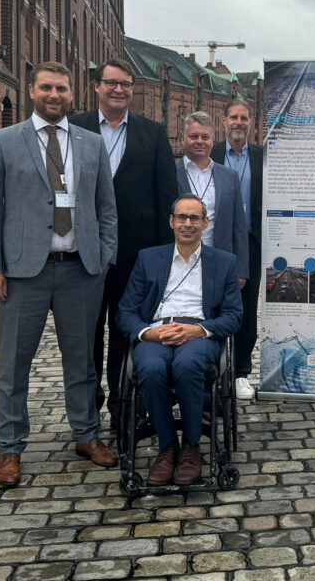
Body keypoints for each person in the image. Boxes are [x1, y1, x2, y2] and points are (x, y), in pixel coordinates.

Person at [0, 61, 120, 488]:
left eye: (61, 89)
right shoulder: (3, 141)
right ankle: (9, 448)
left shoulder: (91, 144)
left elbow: (105, 206)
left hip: (81, 271)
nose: (54, 96)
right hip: (24, 275)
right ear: (31, 90)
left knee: (82, 362)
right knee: (13, 366)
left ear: (72, 93)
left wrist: (104, 254)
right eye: (46, 88)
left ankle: (86, 435)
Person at [68, 59, 178, 430]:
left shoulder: (153, 133)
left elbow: (167, 197)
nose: (119, 90)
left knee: (125, 330)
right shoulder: (73, 128)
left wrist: (166, 256)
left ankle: (123, 407)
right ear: (96, 86)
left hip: (136, 254)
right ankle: (87, 412)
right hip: (81, 251)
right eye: (112, 83)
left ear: (133, 89)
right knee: (85, 336)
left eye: (126, 84)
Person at [117, 194, 243, 485]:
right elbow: (125, 311)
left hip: (200, 332)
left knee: (187, 365)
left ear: (205, 222)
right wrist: (149, 332)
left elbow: (234, 316)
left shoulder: (224, 262)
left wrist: (198, 331)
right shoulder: (149, 258)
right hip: (157, 330)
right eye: (182, 218)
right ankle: (167, 447)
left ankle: (191, 447)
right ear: (172, 222)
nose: (188, 223)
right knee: (149, 368)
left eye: (194, 218)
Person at [210, 100, 263, 400]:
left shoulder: (260, 156)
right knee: (214, 306)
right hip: (217, 242)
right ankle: (214, 369)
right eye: (234, 117)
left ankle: (241, 371)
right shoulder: (213, 153)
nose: (239, 122)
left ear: (250, 123)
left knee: (246, 309)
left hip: (251, 242)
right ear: (224, 121)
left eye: (244, 117)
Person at [177, 111, 249, 282]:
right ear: (182, 139)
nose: (200, 141)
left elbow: (239, 227)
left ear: (212, 140)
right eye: (193, 136)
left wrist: (241, 270)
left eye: (205, 137)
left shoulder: (229, 176)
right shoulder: (170, 173)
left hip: (220, 261)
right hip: (179, 262)